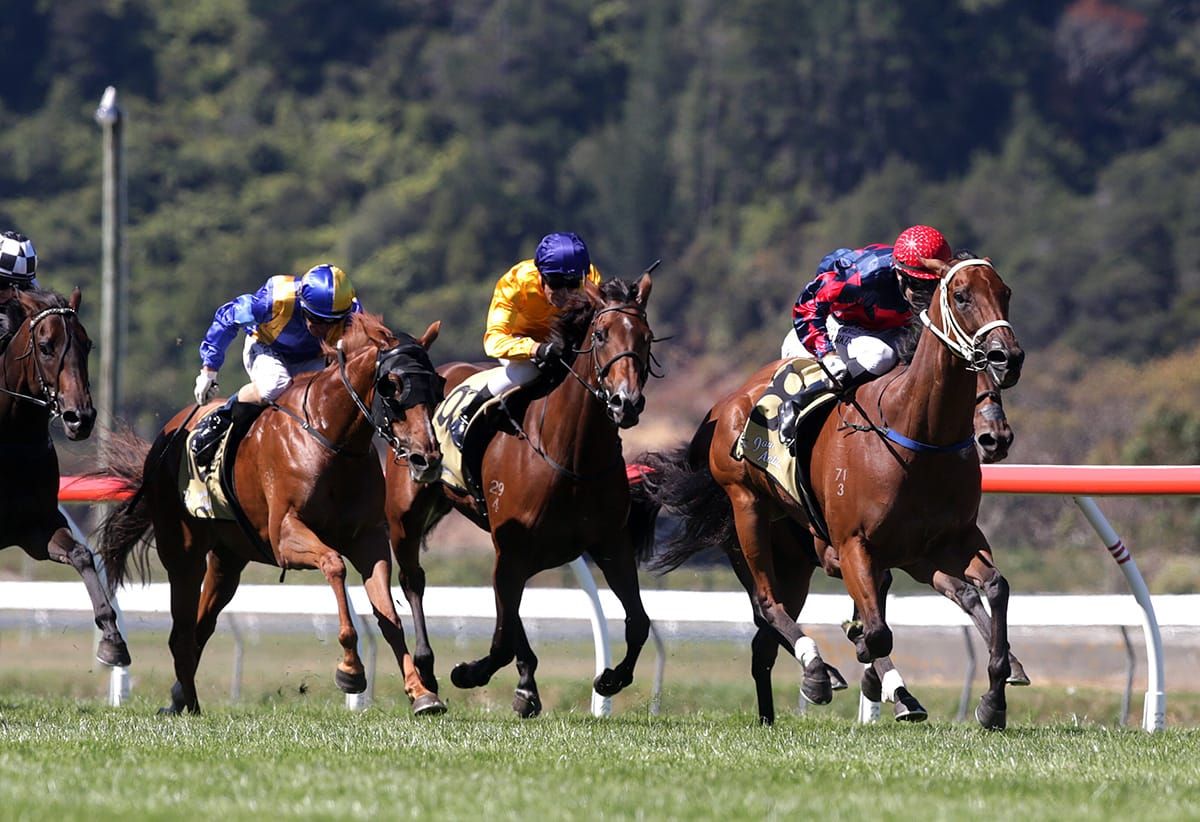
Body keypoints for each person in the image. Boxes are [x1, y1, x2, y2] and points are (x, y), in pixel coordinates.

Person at [777, 225, 953, 447]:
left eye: (932, 285)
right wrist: (827, 352)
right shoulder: (864, 276)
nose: (926, 295)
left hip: (888, 329)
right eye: (919, 285)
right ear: (899, 273)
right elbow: (808, 305)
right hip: (841, 324)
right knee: (880, 356)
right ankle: (799, 402)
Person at [189, 263, 361, 466]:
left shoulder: (352, 312)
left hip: (313, 356)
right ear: (302, 304)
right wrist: (209, 370)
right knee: (275, 385)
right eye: (315, 319)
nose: (322, 328)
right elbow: (227, 317)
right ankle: (220, 419)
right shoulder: (276, 299)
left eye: (331, 322)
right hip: (266, 347)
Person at [449, 232, 602, 447]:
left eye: (573, 284)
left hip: (564, 342)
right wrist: (535, 349)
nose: (565, 293)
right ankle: (467, 415)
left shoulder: (591, 279)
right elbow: (494, 340)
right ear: (540, 274)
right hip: (520, 344)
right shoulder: (514, 284)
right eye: (556, 283)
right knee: (529, 371)